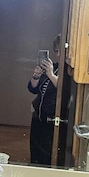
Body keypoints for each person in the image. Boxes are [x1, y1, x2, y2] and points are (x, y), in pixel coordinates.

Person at [28, 35, 61, 165]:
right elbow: (33, 89)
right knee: (35, 152)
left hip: (52, 120)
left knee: (46, 155)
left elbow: (62, 88)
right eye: (56, 51)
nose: (58, 54)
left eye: (61, 51)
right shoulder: (54, 66)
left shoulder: (68, 71)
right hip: (38, 118)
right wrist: (36, 76)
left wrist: (51, 74)